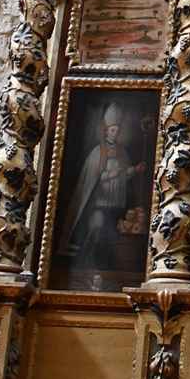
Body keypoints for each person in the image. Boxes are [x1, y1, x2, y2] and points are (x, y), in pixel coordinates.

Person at [58, 102, 146, 277]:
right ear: (106, 131)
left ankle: (105, 269)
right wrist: (112, 174)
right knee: (97, 229)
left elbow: (126, 174)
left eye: (117, 130)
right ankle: (85, 265)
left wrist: (135, 170)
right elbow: (94, 177)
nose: (115, 133)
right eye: (112, 130)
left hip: (116, 203)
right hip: (100, 202)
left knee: (111, 237)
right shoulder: (97, 152)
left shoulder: (123, 152)